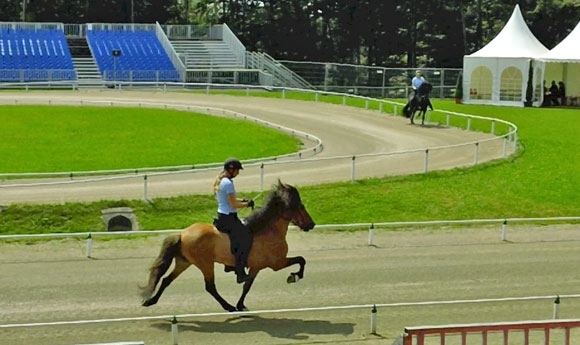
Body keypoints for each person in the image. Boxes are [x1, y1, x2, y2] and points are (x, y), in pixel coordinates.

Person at [212, 157, 254, 284]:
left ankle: (229, 265)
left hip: (222, 215)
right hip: (229, 218)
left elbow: (232, 199)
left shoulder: (221, 181)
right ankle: (240, 273)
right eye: (237, 171)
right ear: (231, 170)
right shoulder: (228, 183)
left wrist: (244, 200)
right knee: (246, 239)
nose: (238, 173)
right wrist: (247, 205)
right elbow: (233, 205)